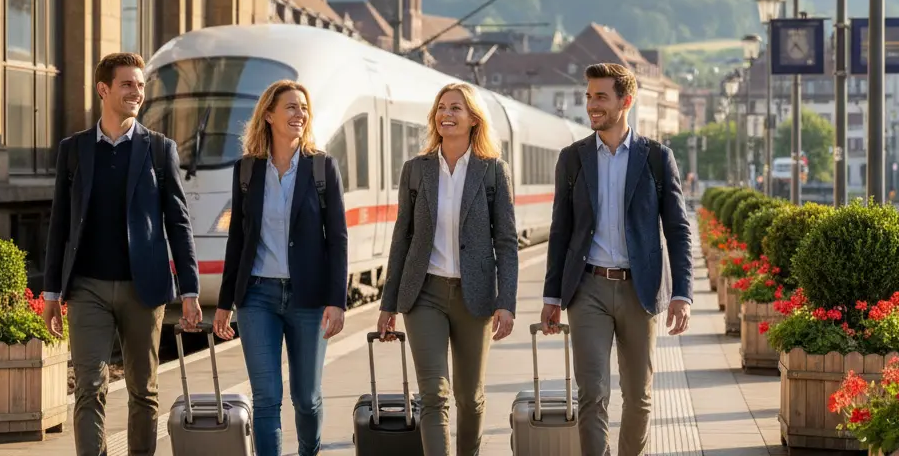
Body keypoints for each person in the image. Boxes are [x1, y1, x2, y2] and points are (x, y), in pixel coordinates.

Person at [43, 52, 203, 456]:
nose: (137, 92)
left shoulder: (159, 149)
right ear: (104, 89)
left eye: (140, 85)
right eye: (128, 84)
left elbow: (178, 224)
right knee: (89, 388)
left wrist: (190, 290)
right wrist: (50, 294)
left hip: (143, 288)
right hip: (87, 288)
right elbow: (59, 224)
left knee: (143, 391)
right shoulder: (74, 150)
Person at [540, 63, 693, 456]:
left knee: (638, 395)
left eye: (601, 97)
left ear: (626, 102)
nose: (592, 105)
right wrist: (552, 297)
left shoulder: (657, 158)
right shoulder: (572, 159)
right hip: (586, 287)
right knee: (592, 393)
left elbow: (677, 229)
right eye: (589, 96)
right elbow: (561, 231)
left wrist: (683, 294)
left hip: (638, 290)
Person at [377, 82, 519, 456]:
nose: (446, 114)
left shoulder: (492, 172)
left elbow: (505, 241)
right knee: (433, 395)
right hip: (424, 293)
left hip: (476, 297)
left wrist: (507, 301)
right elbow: (402, 237)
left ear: (474, 119)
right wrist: (388, 303)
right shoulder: (416, 170)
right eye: (441, 107)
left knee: (469, 397)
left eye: (456, 108)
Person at [212, 79, 348, 456]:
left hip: (309, 300)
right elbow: (237, 240)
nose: (299, 114)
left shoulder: (323, 168)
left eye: (303, 108)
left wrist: (337, 300)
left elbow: (337, 239)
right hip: (257, 297)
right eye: (291, 107)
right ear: (268, 115)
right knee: (266, 398)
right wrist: (225, 303)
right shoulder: (246, 171)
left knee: (306, 398)